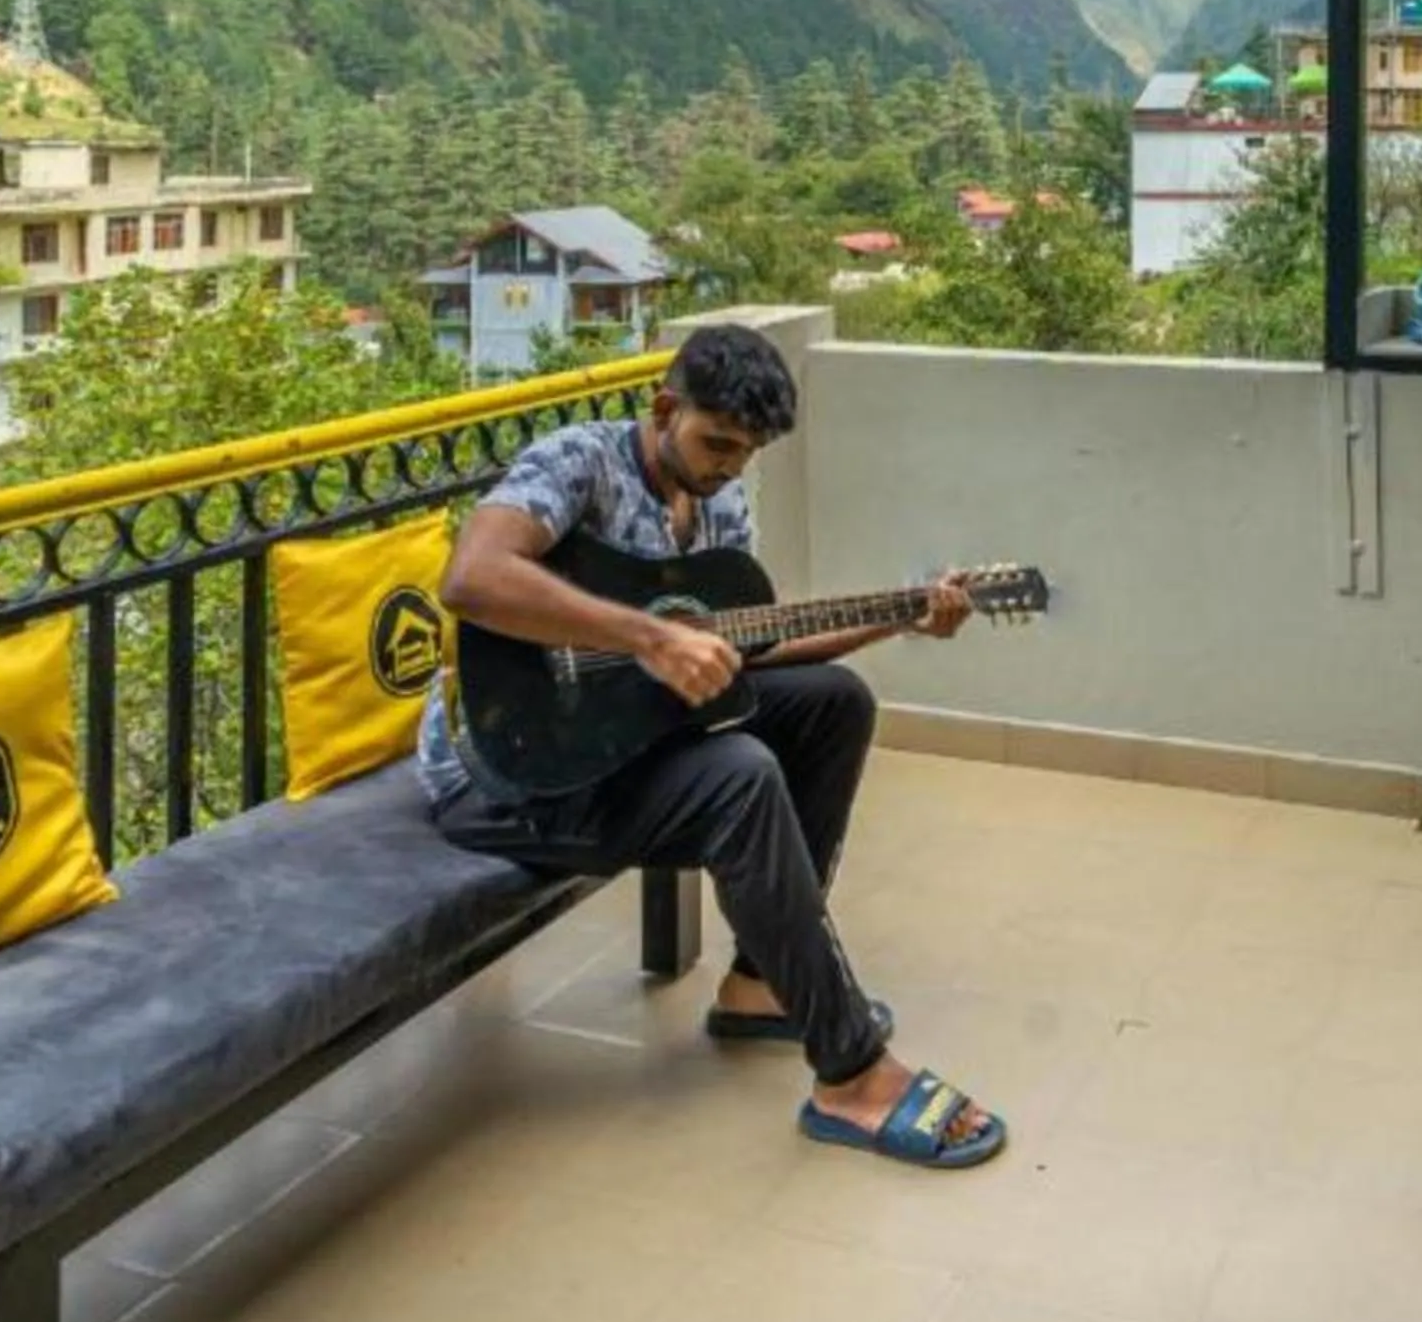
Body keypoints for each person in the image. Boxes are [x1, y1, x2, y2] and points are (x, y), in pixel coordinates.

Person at [418, 322, 1005, 1170]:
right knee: (740, 774)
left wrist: (898, 616)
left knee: (832, 703)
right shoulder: (579, 461)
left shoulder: (720, 499)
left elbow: (745, 648)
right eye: (715, 441)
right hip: (508, 772)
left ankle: (759, 982)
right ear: (665, 408)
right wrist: (649, 640)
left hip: (620, 743)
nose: (729, 464)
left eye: (747, 451)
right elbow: (471, 580)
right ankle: (851, 1074)